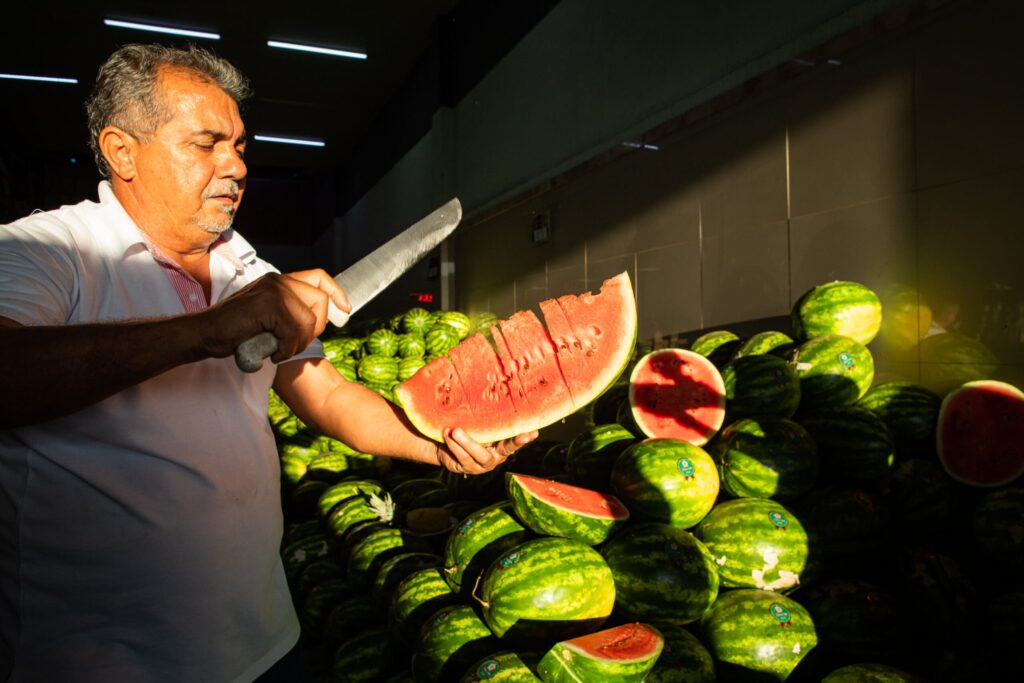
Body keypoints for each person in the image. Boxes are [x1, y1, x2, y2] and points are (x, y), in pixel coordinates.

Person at [0, 43, 536, 682]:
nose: (234, 166)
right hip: (106, 659)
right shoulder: (47, 247)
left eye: (240, 146)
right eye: (205, 145)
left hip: (264, 639)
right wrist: (205, 331)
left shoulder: (243, 262)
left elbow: (328, 395)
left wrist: (436, 445)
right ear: (122, 152)